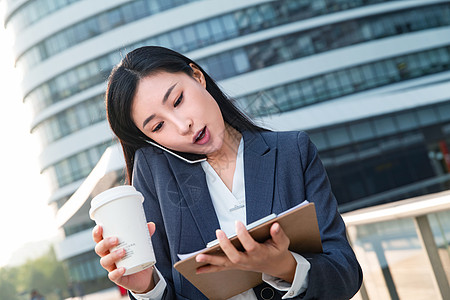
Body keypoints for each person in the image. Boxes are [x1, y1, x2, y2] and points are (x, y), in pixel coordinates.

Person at [92, 46, 363, 299]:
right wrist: (147, 287)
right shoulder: (155, 174)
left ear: (197, 76)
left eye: (178, 100)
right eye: (158, 126)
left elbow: (347, 274)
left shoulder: (292, 152)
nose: (183, 125)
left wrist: (286, 267)